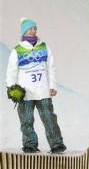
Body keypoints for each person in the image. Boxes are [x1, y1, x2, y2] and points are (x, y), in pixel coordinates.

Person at [6, 18, 67, 153]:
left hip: (43, 90)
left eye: (34, 28)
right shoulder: (17, 50)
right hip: (25, 93)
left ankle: (56, 144)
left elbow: (51, 68)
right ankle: (30, 144)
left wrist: (52, 86)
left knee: (49, 118)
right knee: (26, 121)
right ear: (24, 31)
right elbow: (11, 72)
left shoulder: (44, 47)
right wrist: (12, 89)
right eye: (30, 29)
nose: (33, 31)